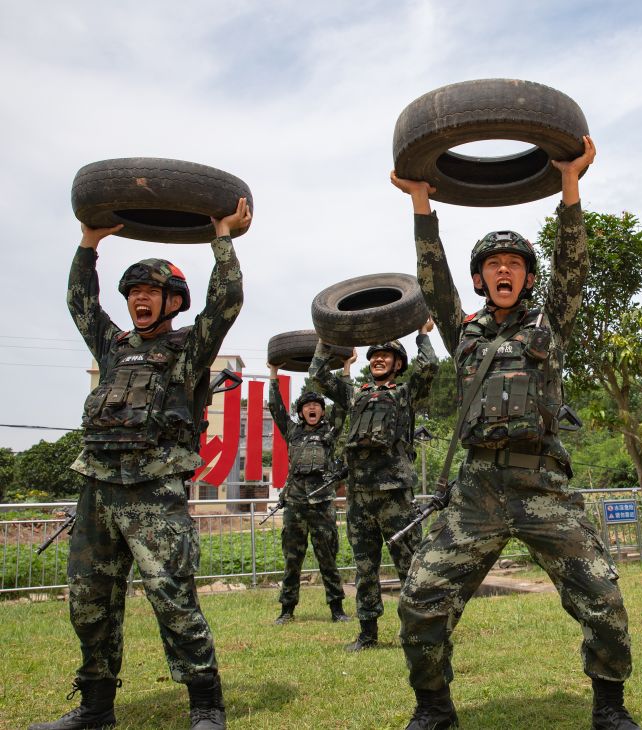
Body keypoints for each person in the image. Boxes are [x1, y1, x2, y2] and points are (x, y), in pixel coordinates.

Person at [391, 135, 638, 730]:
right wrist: (422, 203)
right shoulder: (464, 331)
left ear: (527, 278)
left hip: (541, 483)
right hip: (476, 488)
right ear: (481, 279)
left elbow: (574, 266)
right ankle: (434, 709)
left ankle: (609, 707)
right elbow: (433, 279)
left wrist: (570, 183)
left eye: (516, 265)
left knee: (601, 597)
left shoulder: (550, 325)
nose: (505, 270)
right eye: (493, 266)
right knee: (422, 599)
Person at [34, 198, 250, 730]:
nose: (140, 300)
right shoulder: (112, 347)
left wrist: (221, 237)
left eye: (151, 292)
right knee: (89, 603)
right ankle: (95, 708)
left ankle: (205, 704)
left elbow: (227, 302)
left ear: (173, 300)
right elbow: (80, 303)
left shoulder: (187, 350)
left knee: (173, 599)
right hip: (98, 491)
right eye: (133, 293)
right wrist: (89, 245)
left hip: (154, 493)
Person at [308, 323, 438, 651]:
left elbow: (430, 367)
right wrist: (326, 341)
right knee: (365, 566)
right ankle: (367, 633)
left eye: (386, 355)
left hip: (394, 493)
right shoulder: (356, 395)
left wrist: (422, 336)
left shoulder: (405, 394)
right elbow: (319, 377)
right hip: (359, 495)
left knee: (410, 563)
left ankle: (421, 631)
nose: (379, 359)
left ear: (398, 363)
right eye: (375, 356)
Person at [267, 358, 355, 625]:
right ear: (301, 411)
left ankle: (337, 609)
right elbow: (275, 408)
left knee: (327, 557)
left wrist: (347, 369)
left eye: (316, 405)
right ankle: (287, 610)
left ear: (321, 411)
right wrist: (273, 373)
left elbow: (343, 403)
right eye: (307, 406)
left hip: (322, 504)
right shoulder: (292, 433)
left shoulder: (330, 433)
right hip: (295, 504)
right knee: (292, 560)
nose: (312, 408)